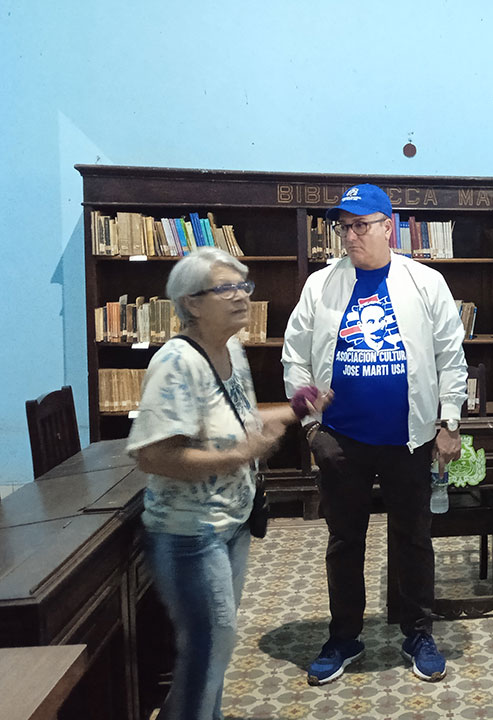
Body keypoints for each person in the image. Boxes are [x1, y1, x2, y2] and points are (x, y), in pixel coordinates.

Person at [127, 247, 327, 720]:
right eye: (227, 288)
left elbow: (238, 419)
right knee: (209, 646)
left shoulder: (230, 350)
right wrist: (239, 456)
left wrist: (301, 409)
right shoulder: (177, 362)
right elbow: (152, 454)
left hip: (231, 521)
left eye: (244, 287)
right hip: (190, 532)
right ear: (192, 302)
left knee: (214, 644)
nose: (242, 297)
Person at [282, 183, 467, 685]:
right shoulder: (321, 286)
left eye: (361, 225)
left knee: (414, 538)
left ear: (389, 226)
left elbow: (451, 357)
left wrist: (449, 424)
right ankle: (344, 636)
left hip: (409, 439)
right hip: (341, 440)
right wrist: (311, 425)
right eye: (344, 226)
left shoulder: (425, 283)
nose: (350, 236)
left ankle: (418, 632)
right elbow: (294, 355)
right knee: (345, 541)